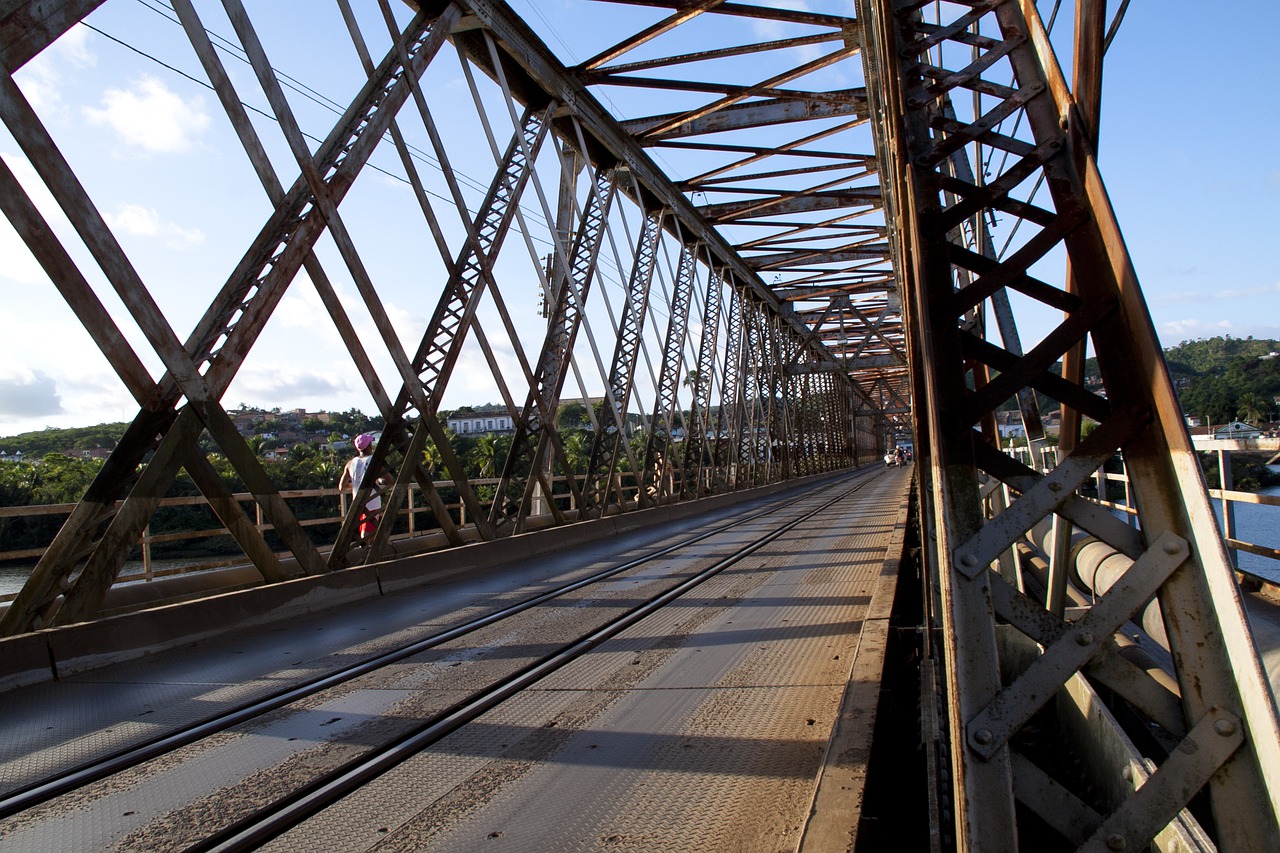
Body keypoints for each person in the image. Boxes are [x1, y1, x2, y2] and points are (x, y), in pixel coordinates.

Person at [338, 433, 383, 539]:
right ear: (369, 446)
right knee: (368, 532)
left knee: (364, 528)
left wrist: (355, 485)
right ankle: (367, 552)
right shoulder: (374, 461)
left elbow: (341, 487)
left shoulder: (350, 463)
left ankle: (366, 550)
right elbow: (387, 480)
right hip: (372, 502)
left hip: (357, 502)